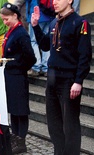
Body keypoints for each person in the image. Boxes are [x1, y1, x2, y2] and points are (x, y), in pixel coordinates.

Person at [31, 0, 92, 154]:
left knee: (70, 125)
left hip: (68, 80)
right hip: (52, 79)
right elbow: (45, 45)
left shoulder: (80, 23)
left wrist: (78, 81)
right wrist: (35, 26)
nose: (54, 2)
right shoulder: (54, 22)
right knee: (54, 124)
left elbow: (85, 56)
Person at [0, 2, 36, 154]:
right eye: (2, 19)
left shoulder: (21, 33)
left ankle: (21, 140)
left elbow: (30, 57)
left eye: (6, 18)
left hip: (17, 78)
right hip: (10, 77)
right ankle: (15, 137)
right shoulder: (11, 31)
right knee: (13, 110)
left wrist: (18, 68)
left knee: (20, 110)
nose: (4, 22)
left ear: (15, 15)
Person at [15, 0, 54, 77]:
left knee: (34, 41)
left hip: (35, 15)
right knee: (47, 41)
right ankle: (46, 67)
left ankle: (36, 67)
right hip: (49, 15)